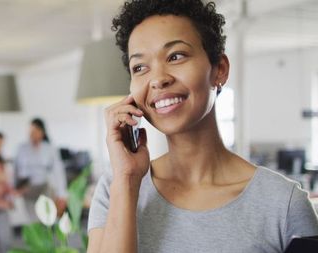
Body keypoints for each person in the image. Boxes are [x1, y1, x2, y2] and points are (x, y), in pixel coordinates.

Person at [87, 1, 318, 253]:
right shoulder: (116, 189)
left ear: (219, 70)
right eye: (140, 67)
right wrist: (127, 181)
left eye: (176, 56)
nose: (158, 79)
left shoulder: (283, 204)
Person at [15, 118, 67, 221]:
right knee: (32, 221)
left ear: (42, 132)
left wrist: (62, 193)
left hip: (44, 188)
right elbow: (16, 171)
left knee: (46, 218)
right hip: (27, 190)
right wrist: (16, 189)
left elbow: (58, 171)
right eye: (30, 132)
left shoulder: (49, 148)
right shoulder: (22, 148)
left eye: (34, 131)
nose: (31, 135)